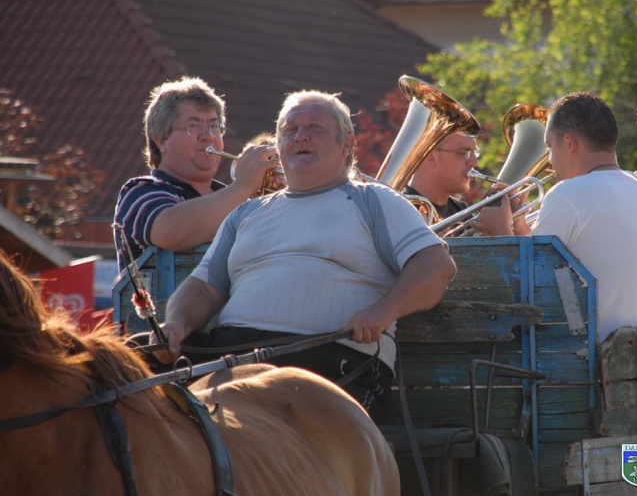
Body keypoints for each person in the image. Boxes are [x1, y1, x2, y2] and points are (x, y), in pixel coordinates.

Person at [156, 90, 457, 422]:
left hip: (330, 359)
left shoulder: (376, 201)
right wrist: (176, 325)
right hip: (231, 354)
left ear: (347, 145)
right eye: (290, 129)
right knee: (129, 369)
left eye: (315, 127)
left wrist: (383, 311)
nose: (301, 136)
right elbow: (203, 287)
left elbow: (435, 266)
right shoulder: (245, 214)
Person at [519, 92, 637, 342]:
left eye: (550, 147)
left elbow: (526, 285)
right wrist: (518, 224)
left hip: (584, 355)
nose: (550, 161)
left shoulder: (567, 194)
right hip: (636, 351)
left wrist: (497, 231)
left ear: (569, 143)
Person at [113, 77, 274, 272]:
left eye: (214, 126)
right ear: (161, 141)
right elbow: (173, 232)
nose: (208, 136)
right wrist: (244, 187)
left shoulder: (233, 198)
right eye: (193, 126)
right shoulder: (140, 192)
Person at [407, 132, 529, 235]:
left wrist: (517, 223)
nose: (474, 162)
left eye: (475, 153)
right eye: (464, 153)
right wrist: (501, 231)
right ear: (432, 157)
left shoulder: (461, 210)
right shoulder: (403, 211)